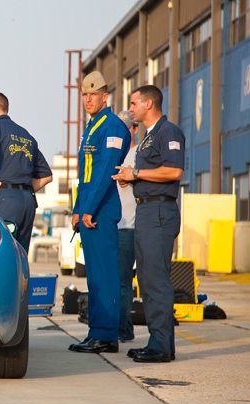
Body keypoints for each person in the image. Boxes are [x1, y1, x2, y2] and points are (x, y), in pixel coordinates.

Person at [112, 85, 185, 363]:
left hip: (158, 211)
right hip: (145, 211)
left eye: (134, 103)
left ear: (149, 103)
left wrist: (136, 173)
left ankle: (162, 346)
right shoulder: (147, 137)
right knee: (146, 279)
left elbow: (174, 170)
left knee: (156, 280)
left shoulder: (169, 133)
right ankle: (157, 341)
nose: (131, 109)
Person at [68, 71, 130, 355]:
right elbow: (85, 176)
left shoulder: (113, 127)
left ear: (105, 96)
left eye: (93, 94)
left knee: (105, 276)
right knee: (93, 277)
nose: (88, 99)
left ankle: (107, 335)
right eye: (84, 94)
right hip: (88, 211)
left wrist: (89, 210)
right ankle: (96, 332)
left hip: (102, 212)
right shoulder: (92, 127)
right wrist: (78, 210)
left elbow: (105, 173)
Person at [0, 92, 53, 252]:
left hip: (2, 200)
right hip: (27, 203)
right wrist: (22, 188)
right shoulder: (26, 135)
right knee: (20, 257)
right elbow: (46, 177)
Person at [115, 111, 138, 343]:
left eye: (127, 127)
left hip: (127, 226)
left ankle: (124, 328)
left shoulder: (138, 155)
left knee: (123, 282)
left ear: (134, 130)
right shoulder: (114, 153)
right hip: (109, 225)